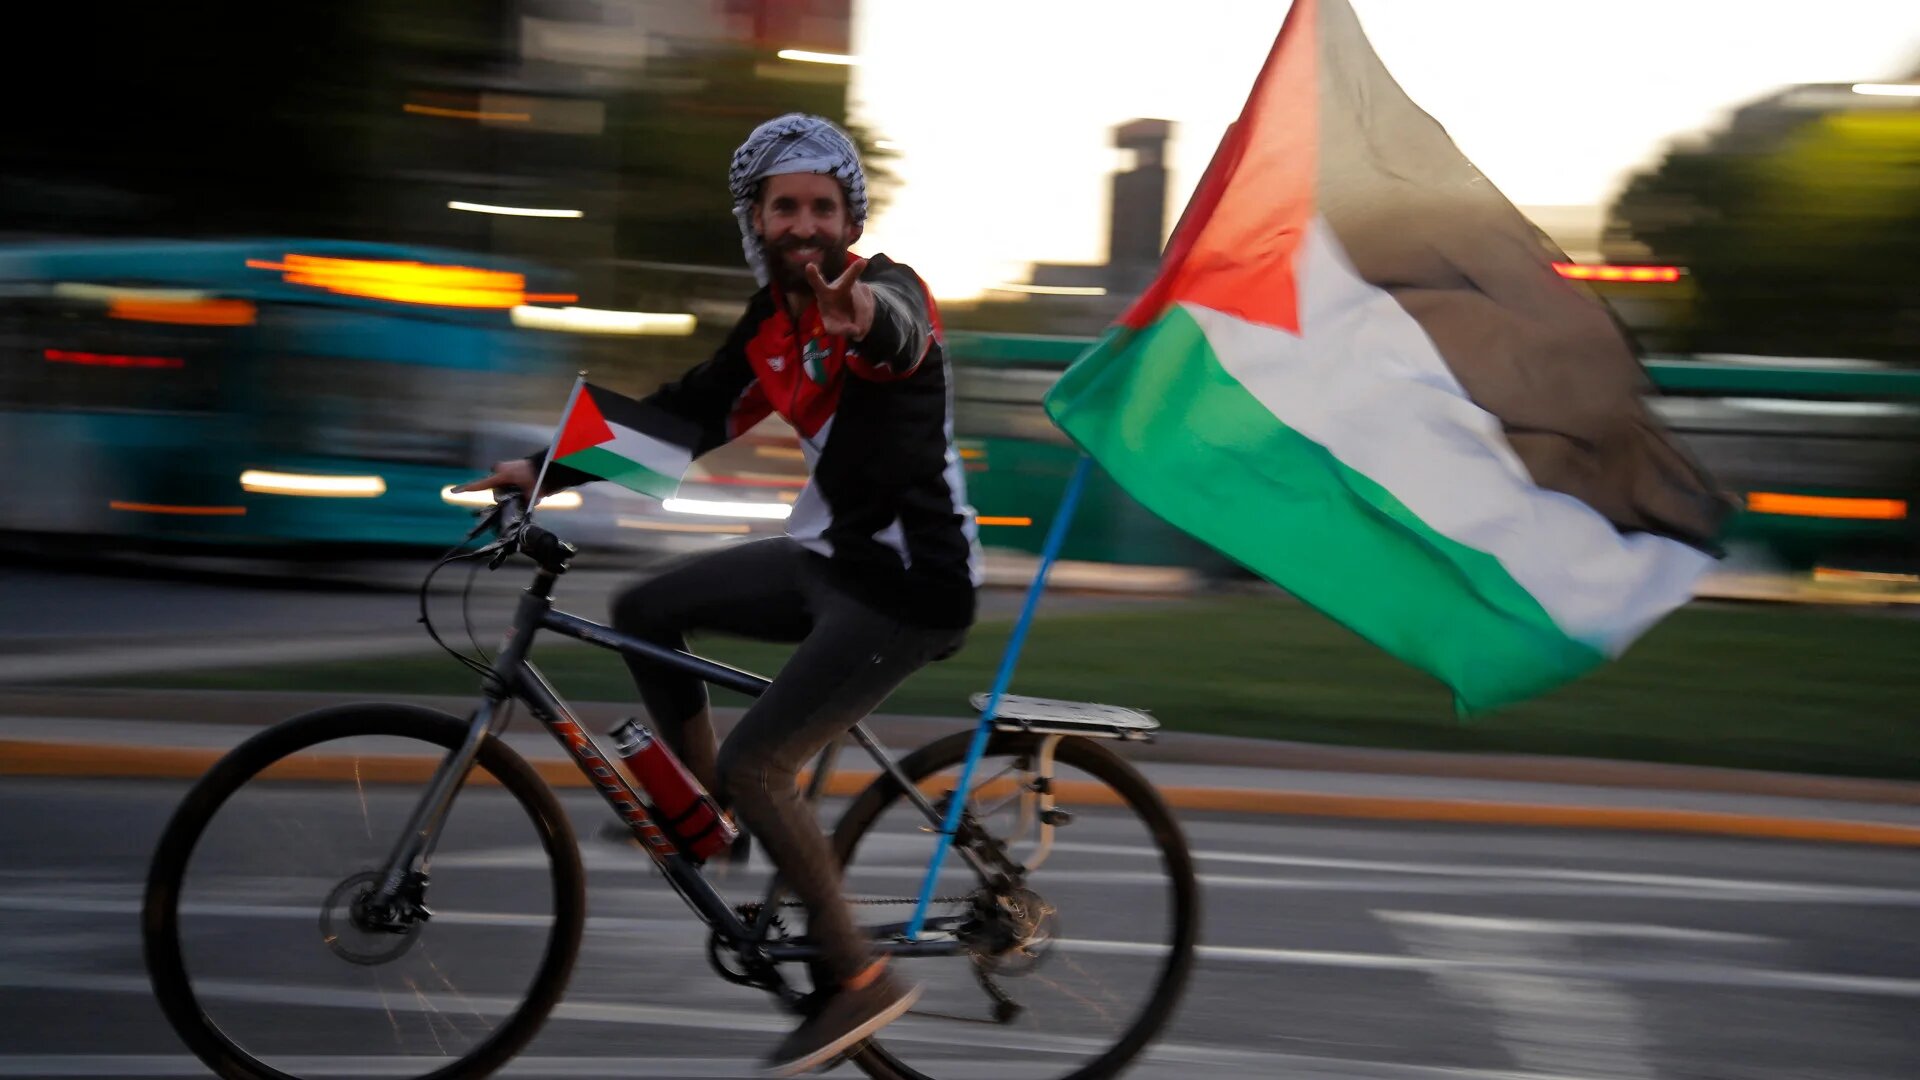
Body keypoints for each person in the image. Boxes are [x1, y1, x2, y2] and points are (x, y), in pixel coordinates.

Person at [456, 113, 980, 1076]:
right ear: (758, 220)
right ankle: (710, 820)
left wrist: (866, 321)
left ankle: (859, 980)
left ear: (848, 218)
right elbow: (682, 420)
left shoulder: (885, 292)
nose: (806, 224)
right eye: (786, 206)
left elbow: (898, 339)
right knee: (643, 610)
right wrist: (539, 471)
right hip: (829, 556)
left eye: (824, 206)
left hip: (910, 582)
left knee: (761, 759)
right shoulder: (770, 327)